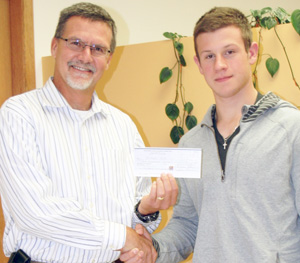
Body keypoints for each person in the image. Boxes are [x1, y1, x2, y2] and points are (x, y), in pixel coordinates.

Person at [0, 2, 178, 263]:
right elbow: (35, 213)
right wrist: (123, 237)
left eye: (97, 49)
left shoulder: (124, 126)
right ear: (54, 46)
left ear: (108, 59)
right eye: (75, 42)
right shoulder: (19, 114)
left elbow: (134, 216)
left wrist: (146, 211)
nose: (85, 56)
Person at [121, 6, 300, 263]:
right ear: (198, 64)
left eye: (229, 52)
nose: (220, 65)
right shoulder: (190, 143)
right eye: (209, 56)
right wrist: (154, 248)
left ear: (252, 53)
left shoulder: (292, 129)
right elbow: (188, 225)